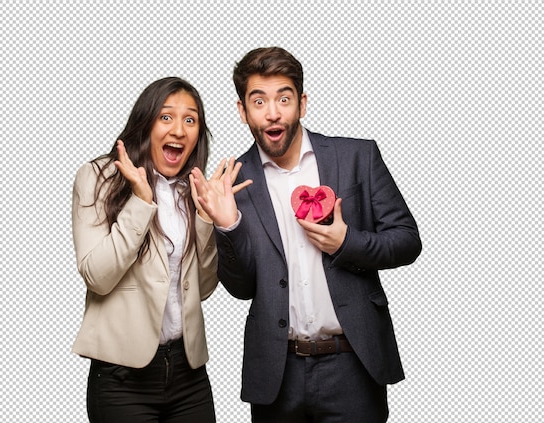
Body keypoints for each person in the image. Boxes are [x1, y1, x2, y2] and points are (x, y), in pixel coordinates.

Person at [190, 47, 422, 422]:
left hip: (353, 364)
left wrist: (347, 243)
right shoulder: (233, 182)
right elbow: (242, 288)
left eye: (283, 98)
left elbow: (408, 239)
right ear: (242, 111)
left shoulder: (356, 157)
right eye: (259, 101)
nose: (273, 112)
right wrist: (226, 225)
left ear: (302, 103)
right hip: (278, 373)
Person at [71, 76, 247, 423]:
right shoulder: (99, 177)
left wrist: (209, 217)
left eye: (190, 119)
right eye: (166, 117)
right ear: (145, 122)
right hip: (123, 377)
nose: (179, 130)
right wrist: (140, 203)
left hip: (188, 373)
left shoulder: (192, 189)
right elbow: (97, 277)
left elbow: (205, 288)